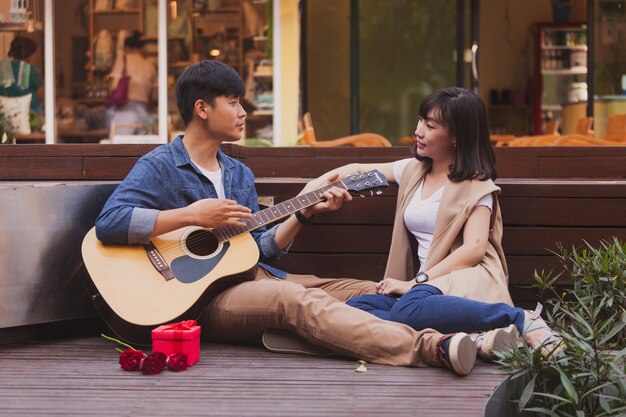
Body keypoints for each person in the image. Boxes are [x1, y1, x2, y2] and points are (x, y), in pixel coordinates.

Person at [95, 60, 478, 376]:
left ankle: (480, 335)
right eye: (233, 102)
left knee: (373, 289)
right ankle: (432, 347)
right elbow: (110, 222)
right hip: (199, 301)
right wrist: (190, 216)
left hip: (255, 278)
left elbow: (260, 250)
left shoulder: (237, 174)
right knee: (290, 299)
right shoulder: (162, 166)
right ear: (202, 109)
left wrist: (303, 213)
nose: (243, 112)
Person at [322, 87, 562, 359]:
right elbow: (360, 171)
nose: (419, 131)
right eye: (420, 121)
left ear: (456, 136)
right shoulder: (414, 170)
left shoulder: (477, 185)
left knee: (406, 310)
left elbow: (474, 249)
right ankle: (473, 339)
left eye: (430, 125)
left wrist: (417, 282)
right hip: (425, 293)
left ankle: (520, 318)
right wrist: (317, 186)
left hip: (463, 281)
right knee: (356, 308)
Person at [108, 31, 157, 135]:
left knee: (121, 148)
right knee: (141, 149)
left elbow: (114, 86)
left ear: (127, 47)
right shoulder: (150, 65)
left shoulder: (123, 59)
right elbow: (155, 95)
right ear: (141, 48)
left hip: (125, 111)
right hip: (144, 112)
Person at [0, 36, 43, 116]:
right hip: (30, 114)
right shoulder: (28, 69)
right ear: (28, 54)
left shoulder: (3, 66)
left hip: (6, 115)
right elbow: (41, 92)